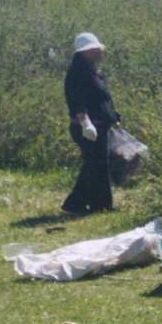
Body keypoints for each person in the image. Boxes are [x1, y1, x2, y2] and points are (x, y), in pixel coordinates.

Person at [61, 32, 119, 215]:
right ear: (83, 53)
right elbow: (76, 101)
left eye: (97, 49)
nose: (97, 52)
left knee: (97, 165)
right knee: (95, 164)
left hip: (100, 126)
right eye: (92, 50)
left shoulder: (91, 71)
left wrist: (114, 116)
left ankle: (96, 204)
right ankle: (79, 203)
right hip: (87, 129)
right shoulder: (76, 73)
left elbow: (102, 99)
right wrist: (86, 123)